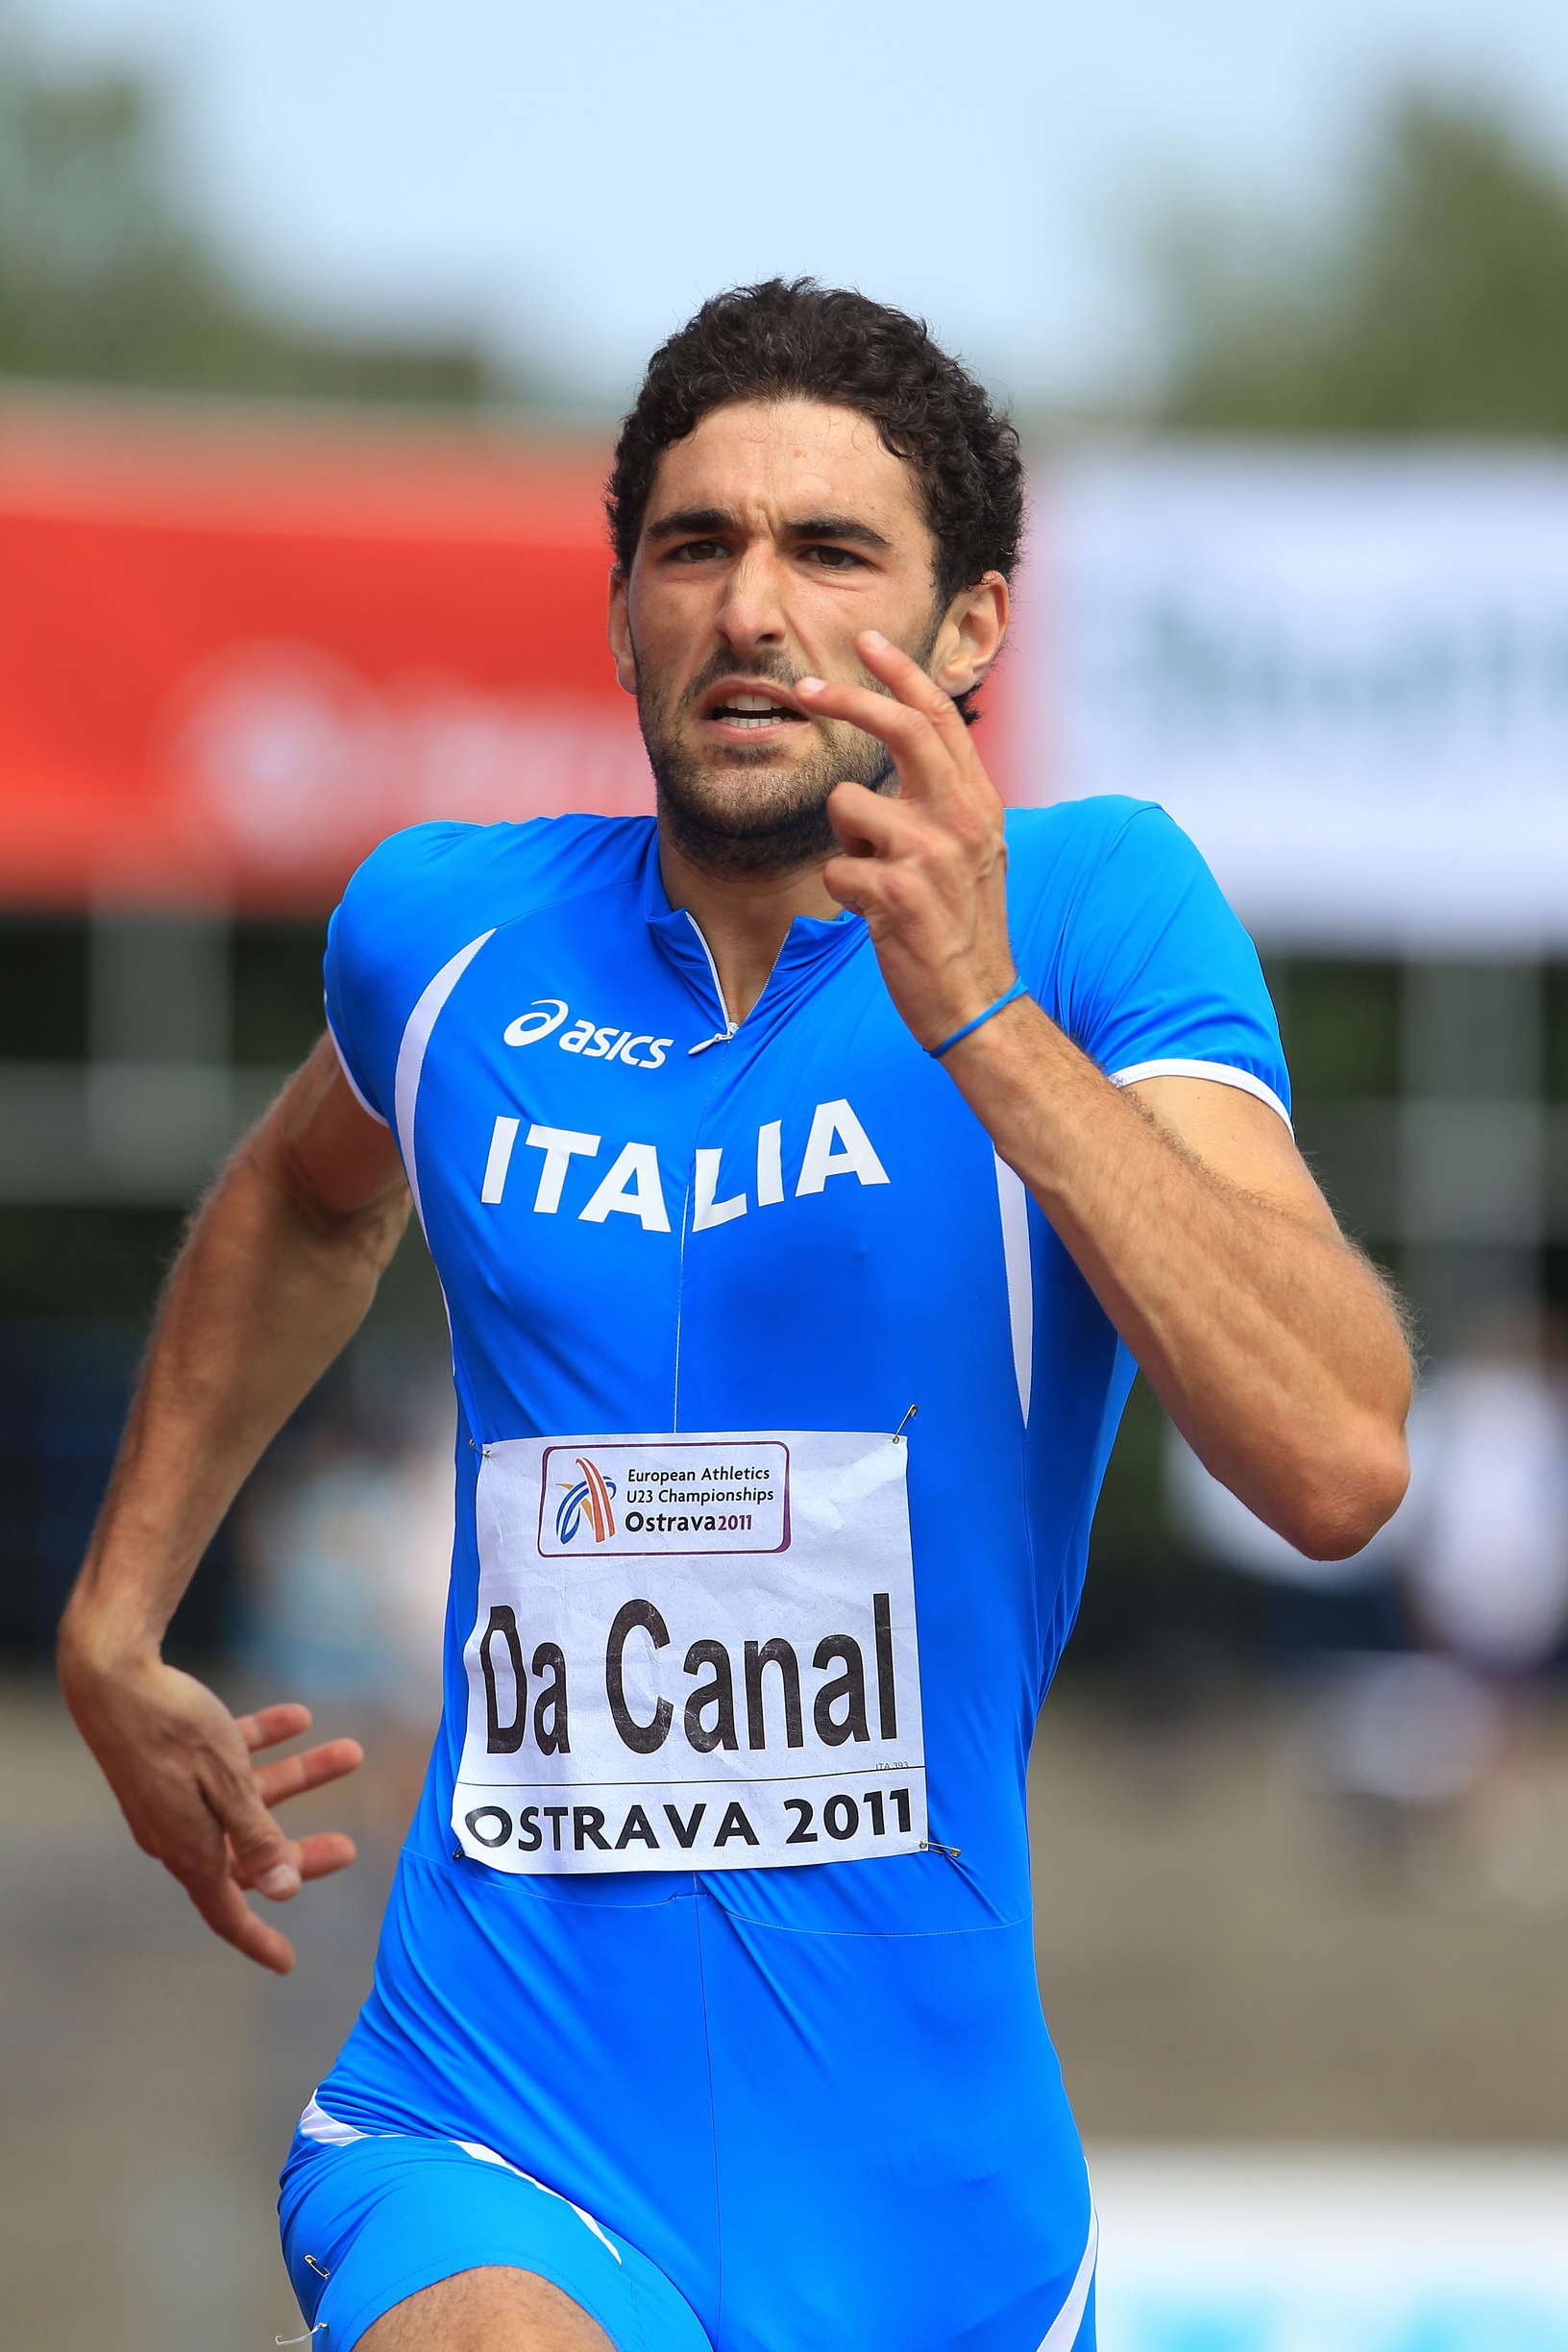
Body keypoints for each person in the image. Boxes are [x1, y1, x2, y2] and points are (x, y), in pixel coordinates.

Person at [58, 280, 1412, 2352]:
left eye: (833, 551)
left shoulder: (1096, 915)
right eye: (696, 546)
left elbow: (1334, 1461)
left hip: (928, 2211)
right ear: (624, 610)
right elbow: (308, 1198)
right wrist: (114, 1619)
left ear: (971, 628)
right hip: (490, 2113)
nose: (754, 609)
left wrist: (982, 1019)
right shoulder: (449, 932)